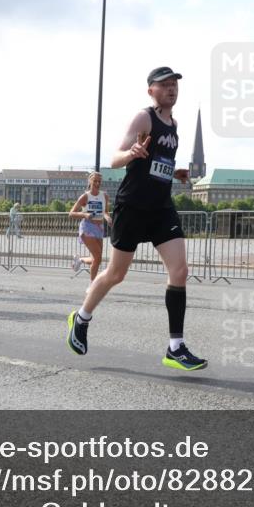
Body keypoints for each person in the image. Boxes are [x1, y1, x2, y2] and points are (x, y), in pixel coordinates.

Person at [66, 66, 205, 371]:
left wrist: (176, 171)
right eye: (165, 85)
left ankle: (175, 347)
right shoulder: (145, 118)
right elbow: (114, 158)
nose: (172, 89)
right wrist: (132, 152)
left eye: (175, 85)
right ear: (151, 90)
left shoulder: (174, 125)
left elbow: (160, 162)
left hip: (160, 207)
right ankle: (82, 317)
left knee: (179, 270)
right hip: (132, 206)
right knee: (116, 274)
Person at [69, 171, 112, 283]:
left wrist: (108, 218)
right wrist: (84, 214)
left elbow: (105, 212)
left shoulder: (105, 196)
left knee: (96, 260)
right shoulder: (85, 196)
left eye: (99, 181)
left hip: (99, 228)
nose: (97, 183)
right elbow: (71, 213)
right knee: (97, 258)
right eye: (95, 181)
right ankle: (93, 286)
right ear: (90, 181)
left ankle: (80, 260)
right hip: (87, 227)